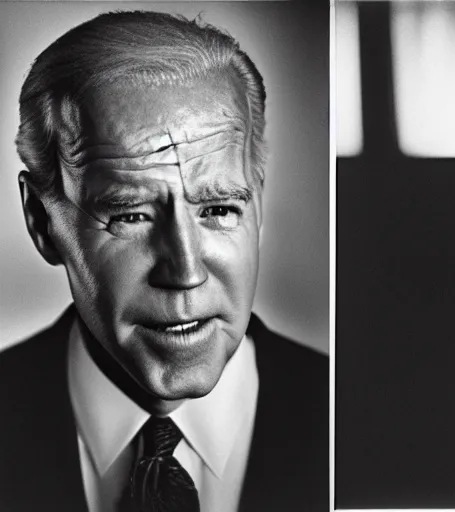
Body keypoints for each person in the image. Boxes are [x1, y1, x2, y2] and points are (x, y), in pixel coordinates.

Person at [0, 11, 328, 512]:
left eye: (219, 209)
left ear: (257, 206)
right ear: (42, 222)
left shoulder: (348, 418)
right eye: (131, 215)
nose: (186, 272)